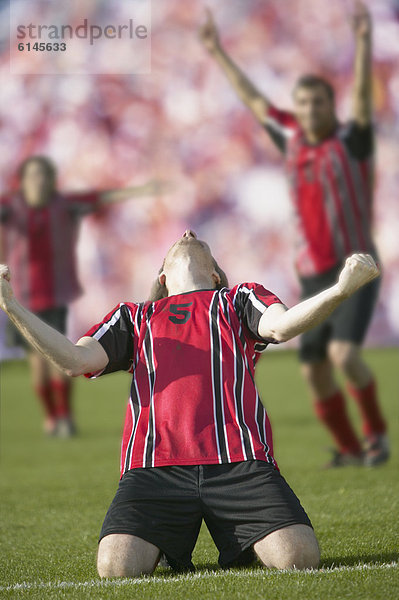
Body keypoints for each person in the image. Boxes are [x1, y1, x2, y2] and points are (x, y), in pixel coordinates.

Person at [0, 229, 380, 575]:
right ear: (162, 279)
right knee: (115, 568)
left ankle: (239, 540)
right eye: (179, 239)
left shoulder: (237, 299)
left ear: (216, 275)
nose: (187, 231)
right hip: (154, 468)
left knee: (299, 558)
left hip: (239, 463)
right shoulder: (134, 317)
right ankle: (172, 540)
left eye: (199, 240)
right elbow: (75, 359)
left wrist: (341, 290)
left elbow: (280, 326)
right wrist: (12, 307)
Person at [199, 2, 388, 467]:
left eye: (317, 102)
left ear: (331, 106)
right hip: (311, 272)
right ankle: (347, 448)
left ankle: (376, 438)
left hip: (353, 265)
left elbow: (362, 99)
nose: (308, 109)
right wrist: (218, 52)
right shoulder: (292, 138)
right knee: (315, 373)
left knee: (344, 355)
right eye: (302, 103)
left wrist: (363, 42)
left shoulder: (351, 140)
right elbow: (255, 101)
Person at [0, 155, 169, 437]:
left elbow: (101, 197)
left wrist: (141, 190)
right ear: (24, 182)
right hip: (24, 294)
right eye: (33, 177)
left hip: (55, 294)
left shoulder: (60, 205)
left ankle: (64, 416)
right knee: (36, 364)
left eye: (43, 176)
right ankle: (52, 417)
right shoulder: (12, 208)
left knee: (58, 356)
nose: (38, 182)